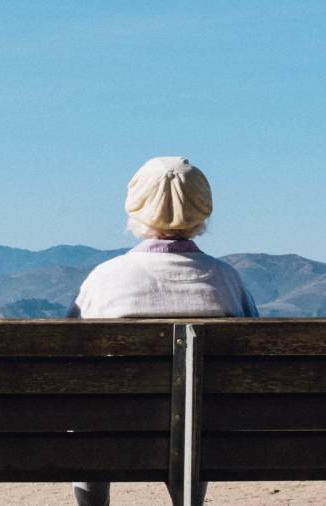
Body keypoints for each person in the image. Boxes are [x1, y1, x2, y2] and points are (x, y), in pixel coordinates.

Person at [68, 156, 258, 506]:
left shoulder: (106, 278)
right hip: (204, 437)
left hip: (114, 433)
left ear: (135, 209)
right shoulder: (226, 280)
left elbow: (68, 359)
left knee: (90, 417)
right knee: (192, 421)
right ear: (204, 209)